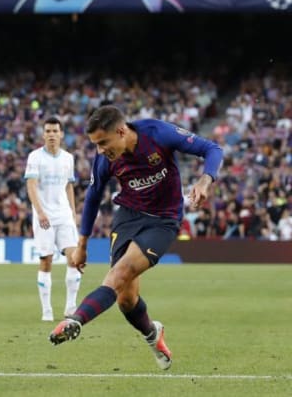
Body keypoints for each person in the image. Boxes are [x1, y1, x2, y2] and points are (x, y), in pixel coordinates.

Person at [49, 105, 222, 370]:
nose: (100, 150)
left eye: (103, 142)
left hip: (163, 220)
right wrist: (81, 245)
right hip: (128, 217)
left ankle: (76, 320)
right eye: (95, 144)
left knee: (120, 273)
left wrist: (204, 181)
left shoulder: (158, 133)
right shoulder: (105, 159)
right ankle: (153, 334)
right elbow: (93, 198)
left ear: (121, 131)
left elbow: (212, 149)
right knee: (125, 298)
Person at [25, 118, 83, 321]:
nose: (51, 134)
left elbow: (69, 186)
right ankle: (47, 310)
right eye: (48, 131)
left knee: (74, 259)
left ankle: (70, 307)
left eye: (54, 131)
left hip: (64, 215)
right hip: (44, 216)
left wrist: (73, 213)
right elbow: (31, 186)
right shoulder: (35, 157)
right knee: (46, 261)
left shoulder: (68, 158)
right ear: (43, 135)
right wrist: (40, 212)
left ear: (61, 134)